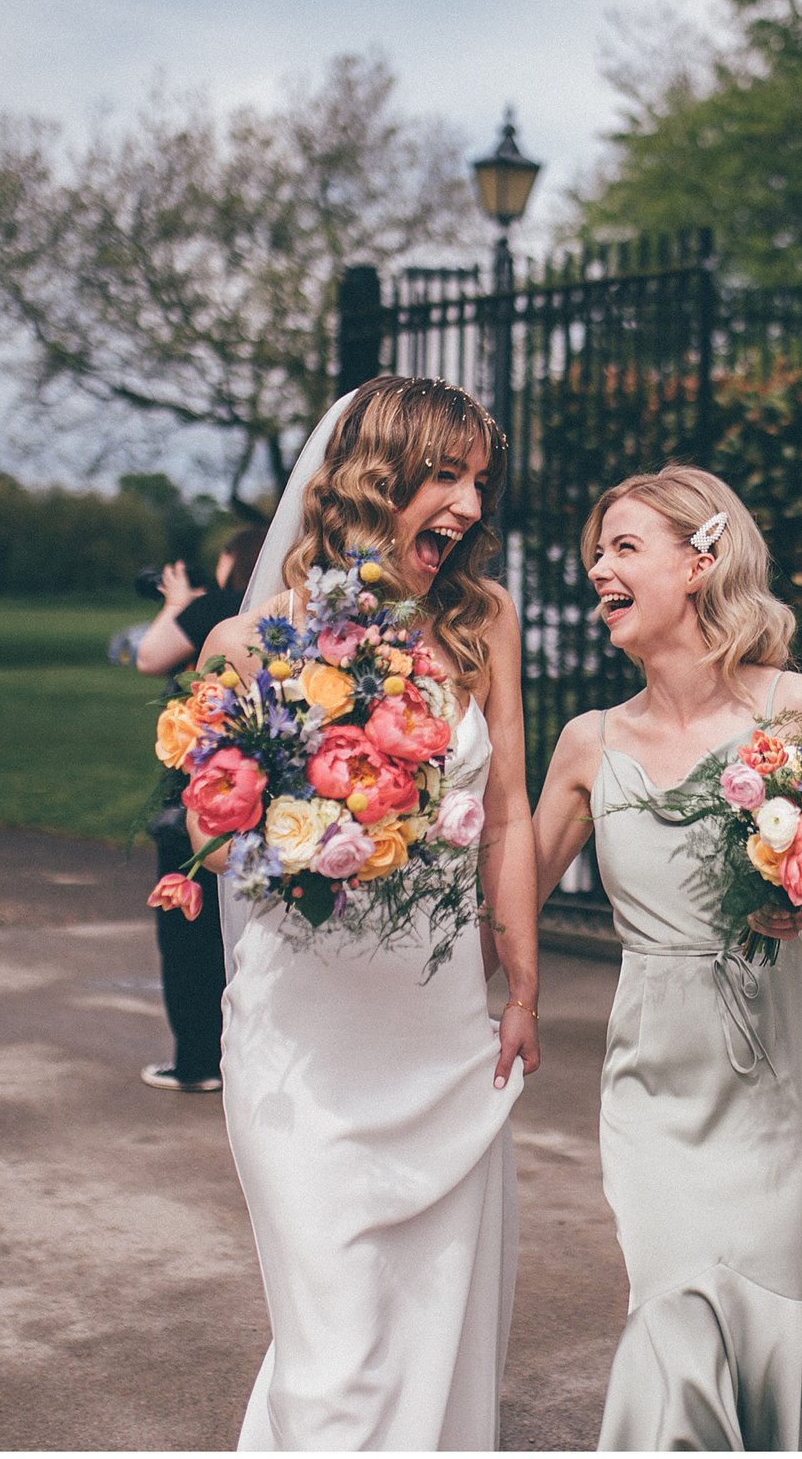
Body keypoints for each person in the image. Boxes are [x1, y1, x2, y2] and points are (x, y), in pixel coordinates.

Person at [191, 377, 540, 1450]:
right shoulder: (246, 647)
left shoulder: (481, 627)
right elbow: (215, 836)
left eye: (479, 481)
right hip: (306, 1048)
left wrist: (522, 980)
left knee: (430, 1328)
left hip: (439, 1035)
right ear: (373, 478)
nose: (470, 505)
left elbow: (510, 814)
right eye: (446, 475)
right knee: (336, 1353)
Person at [531, 464, 802, 1451]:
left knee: (778, 1294)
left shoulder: (797, 709)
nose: (598, 567)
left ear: (699, 563)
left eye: (623, 547)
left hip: (777, 1064)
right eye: (597, 551)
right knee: (674, 1301)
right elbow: (501, 902)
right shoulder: (587, 744)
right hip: (656, 1069)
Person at [134, 523, 267, 1093]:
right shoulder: (279, 614)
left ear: (231, 560)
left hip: (205, 793)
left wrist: (175, 604)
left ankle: (196, 1059)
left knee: (188, 938)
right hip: (262, 796)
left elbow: (149, 656)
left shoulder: (217, 608)